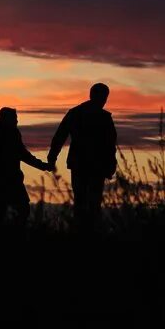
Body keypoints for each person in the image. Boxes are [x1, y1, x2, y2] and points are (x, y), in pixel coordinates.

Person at [47, 83, 117, 232]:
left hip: (84, 164)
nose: (105, 101)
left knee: (84, 201)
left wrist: (52, 157)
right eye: (104, 97)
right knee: (90, 202)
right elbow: (110, 145)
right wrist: (110, 165)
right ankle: (86, 232)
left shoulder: (76, 113)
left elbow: (59, 137)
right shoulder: (102, 117)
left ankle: (83, 231)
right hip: (92, 165)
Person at [0, 107, 52, 226]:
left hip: (9, 178)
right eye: (14, 118)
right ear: (6, 119)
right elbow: (21, 154)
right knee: (11, 211)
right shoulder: (2, 132)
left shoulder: (9, 132)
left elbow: (22, 153)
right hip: (3, 179)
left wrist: (42, 166)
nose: (16, 121)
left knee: (8, 212)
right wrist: (43, 165)